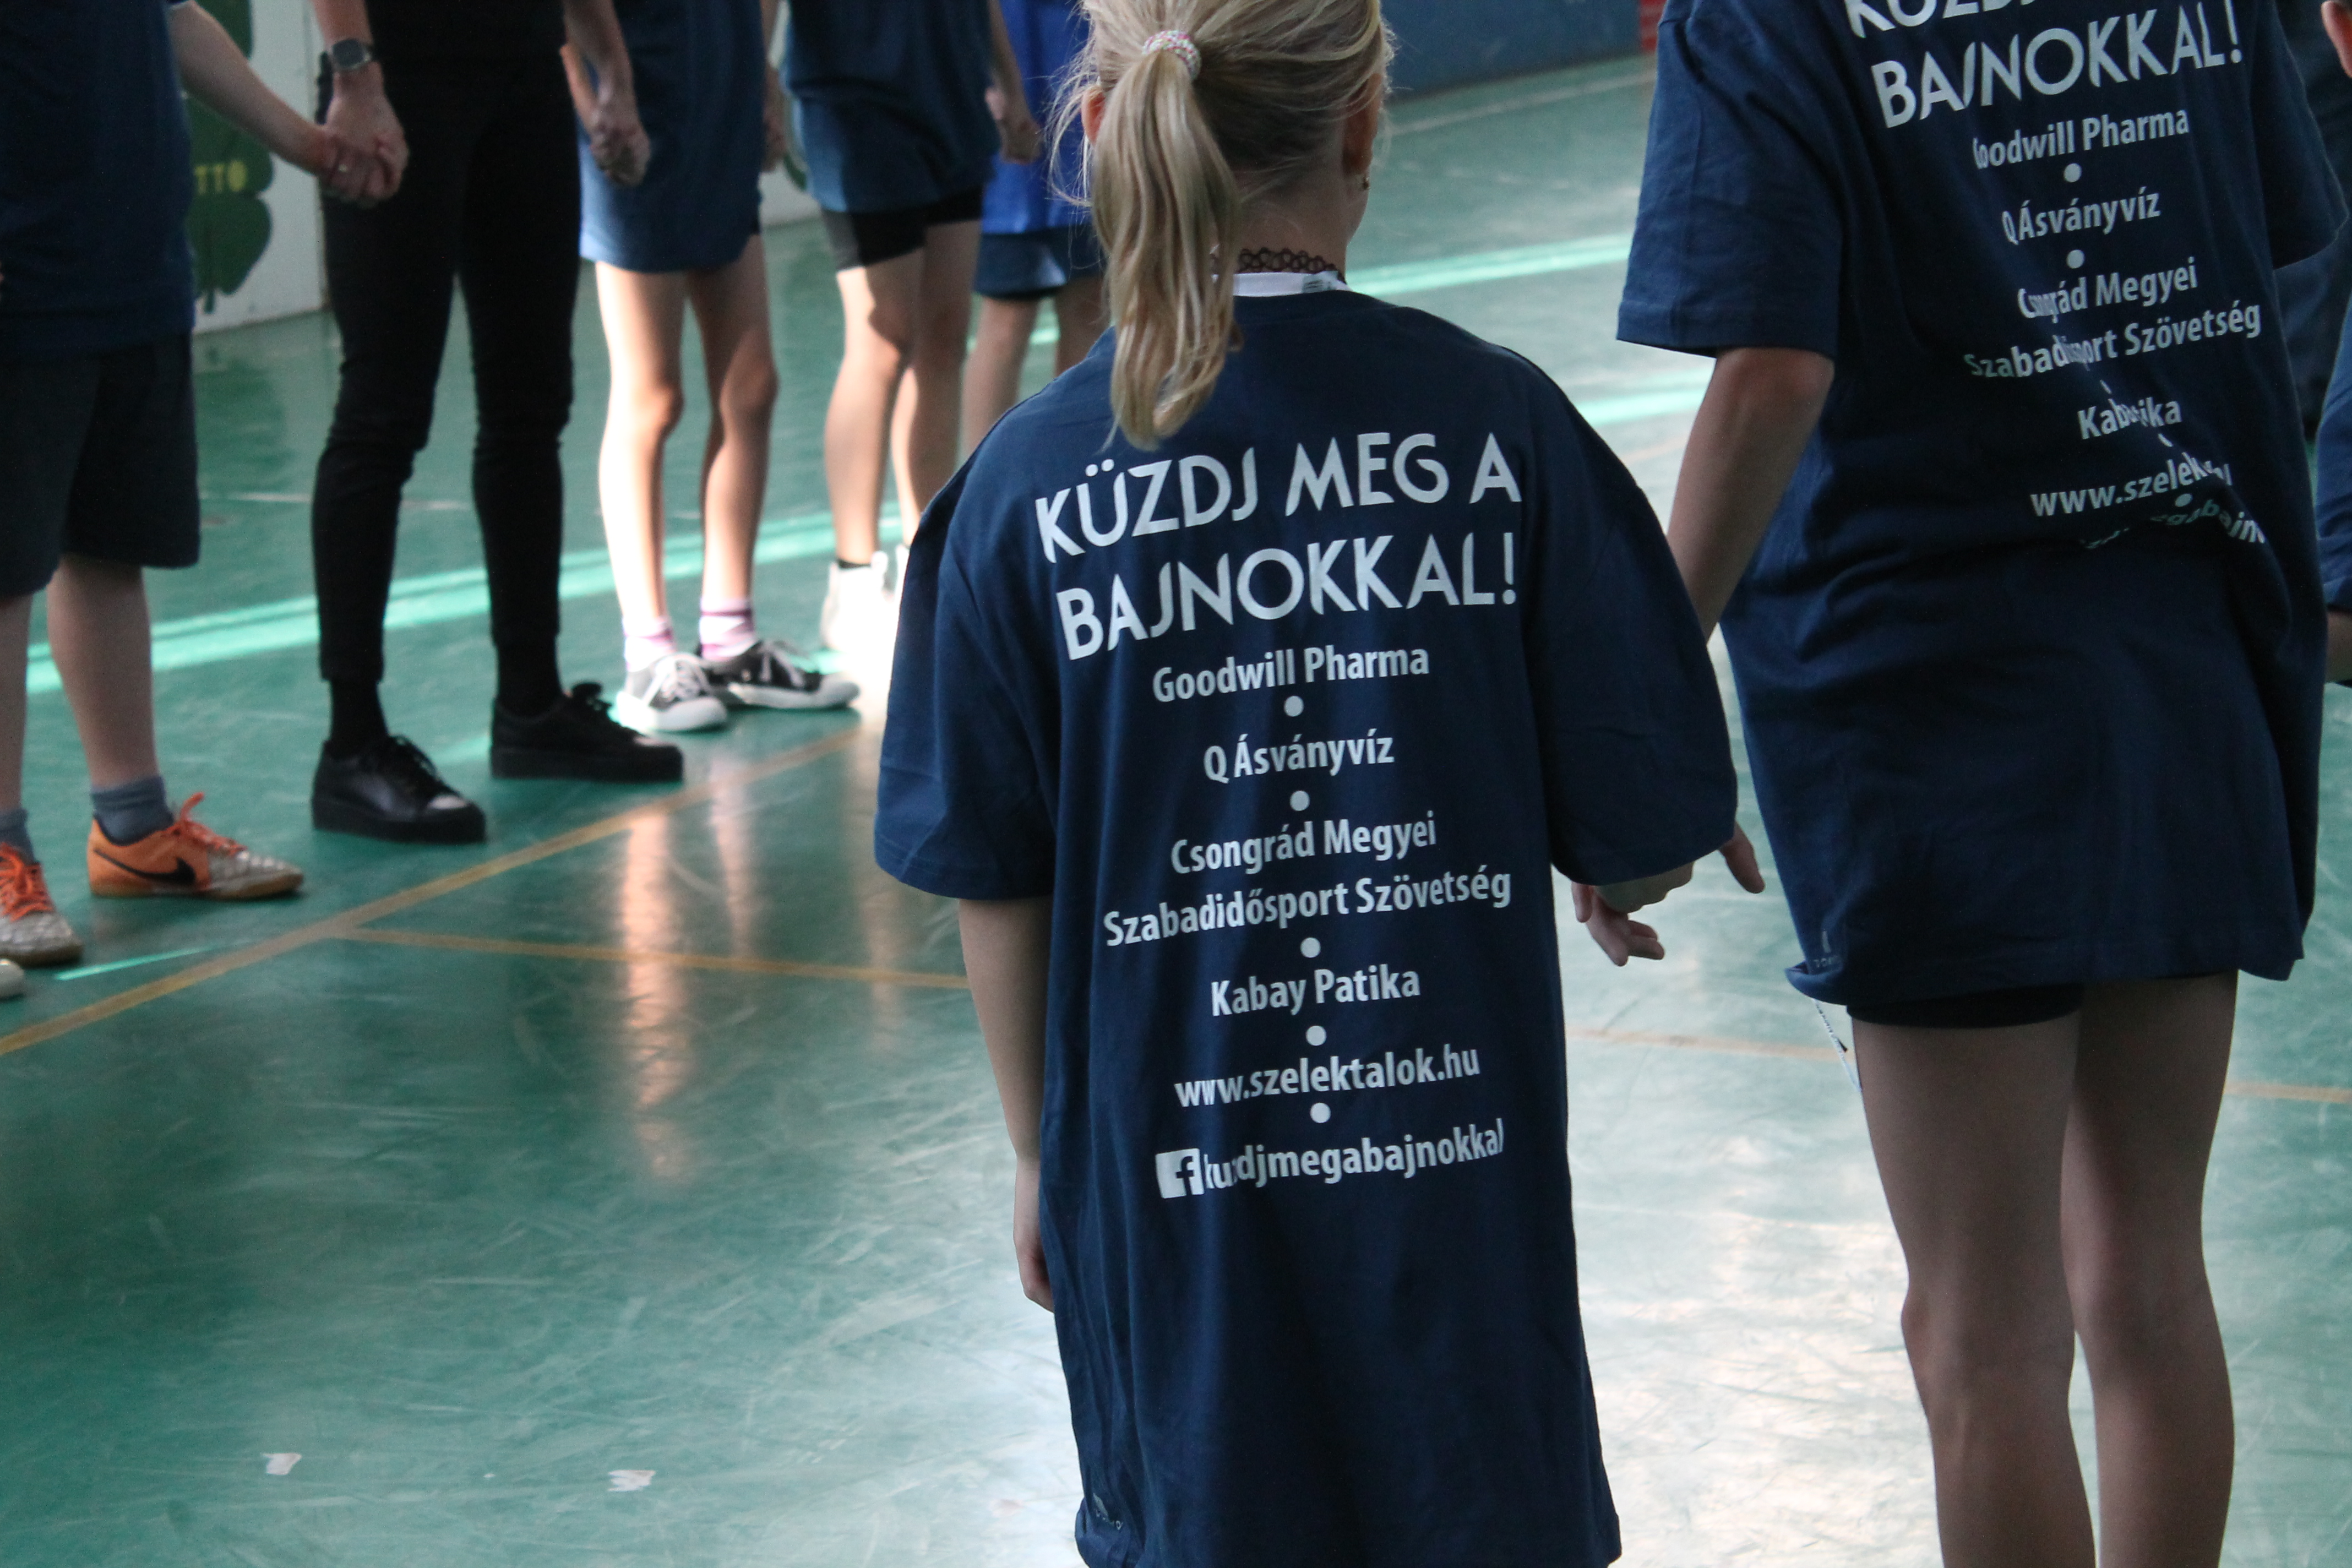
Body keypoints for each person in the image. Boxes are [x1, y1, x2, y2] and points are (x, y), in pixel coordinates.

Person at [875, 3, 1751, 1561]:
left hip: (1171, 1210)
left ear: (1106, 133)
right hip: (1452, 1214)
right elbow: (1643, 821)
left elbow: (994, 874)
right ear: (1359, 130)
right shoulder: (1499, 423)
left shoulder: (1019, 485)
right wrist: (1625, 854)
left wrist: (1036, 1152)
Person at [1618, 0, 2339, 1559]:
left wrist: (1644, 687)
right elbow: (2270, 236)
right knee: (2148, 1272)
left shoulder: (1763, 17)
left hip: (1928, 687)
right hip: (2176, 634)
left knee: (1982, 1331)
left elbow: (1770, 369)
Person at [0, 0, 338, 974]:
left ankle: (135, 832)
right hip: (22, 270)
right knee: (3, 575)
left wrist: (306, 145)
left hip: (132, 260)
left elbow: (173, 17)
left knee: (111, 549)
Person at [305, 0, 684, 847]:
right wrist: (355, 73)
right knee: (380, 417)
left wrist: (613, 74)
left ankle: (531, 706)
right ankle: (352, 744)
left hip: (522, 72)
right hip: (401, 78)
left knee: (530, 406)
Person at [572, 0, 856, 734]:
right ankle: (648, 658)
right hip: (636, 114)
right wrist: (597, 101)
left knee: (751, 385)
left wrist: (759, 77)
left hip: (718, 110)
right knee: (653, 397)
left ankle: (730, 643)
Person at [785, 0, 1042, 655]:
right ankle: (852, 575)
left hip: (952, 100)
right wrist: (758, 94)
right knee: (882, 340)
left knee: (945, 336)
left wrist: (1010, 87)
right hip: (858, 109)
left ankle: (924, 557)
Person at [961, 0, 1108, 448]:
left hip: (1084, 87)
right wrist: (986, 78)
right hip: (1008, 90)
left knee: (1089, 303)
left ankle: (1076, 461)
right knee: (1008, 316)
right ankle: (981, 472)